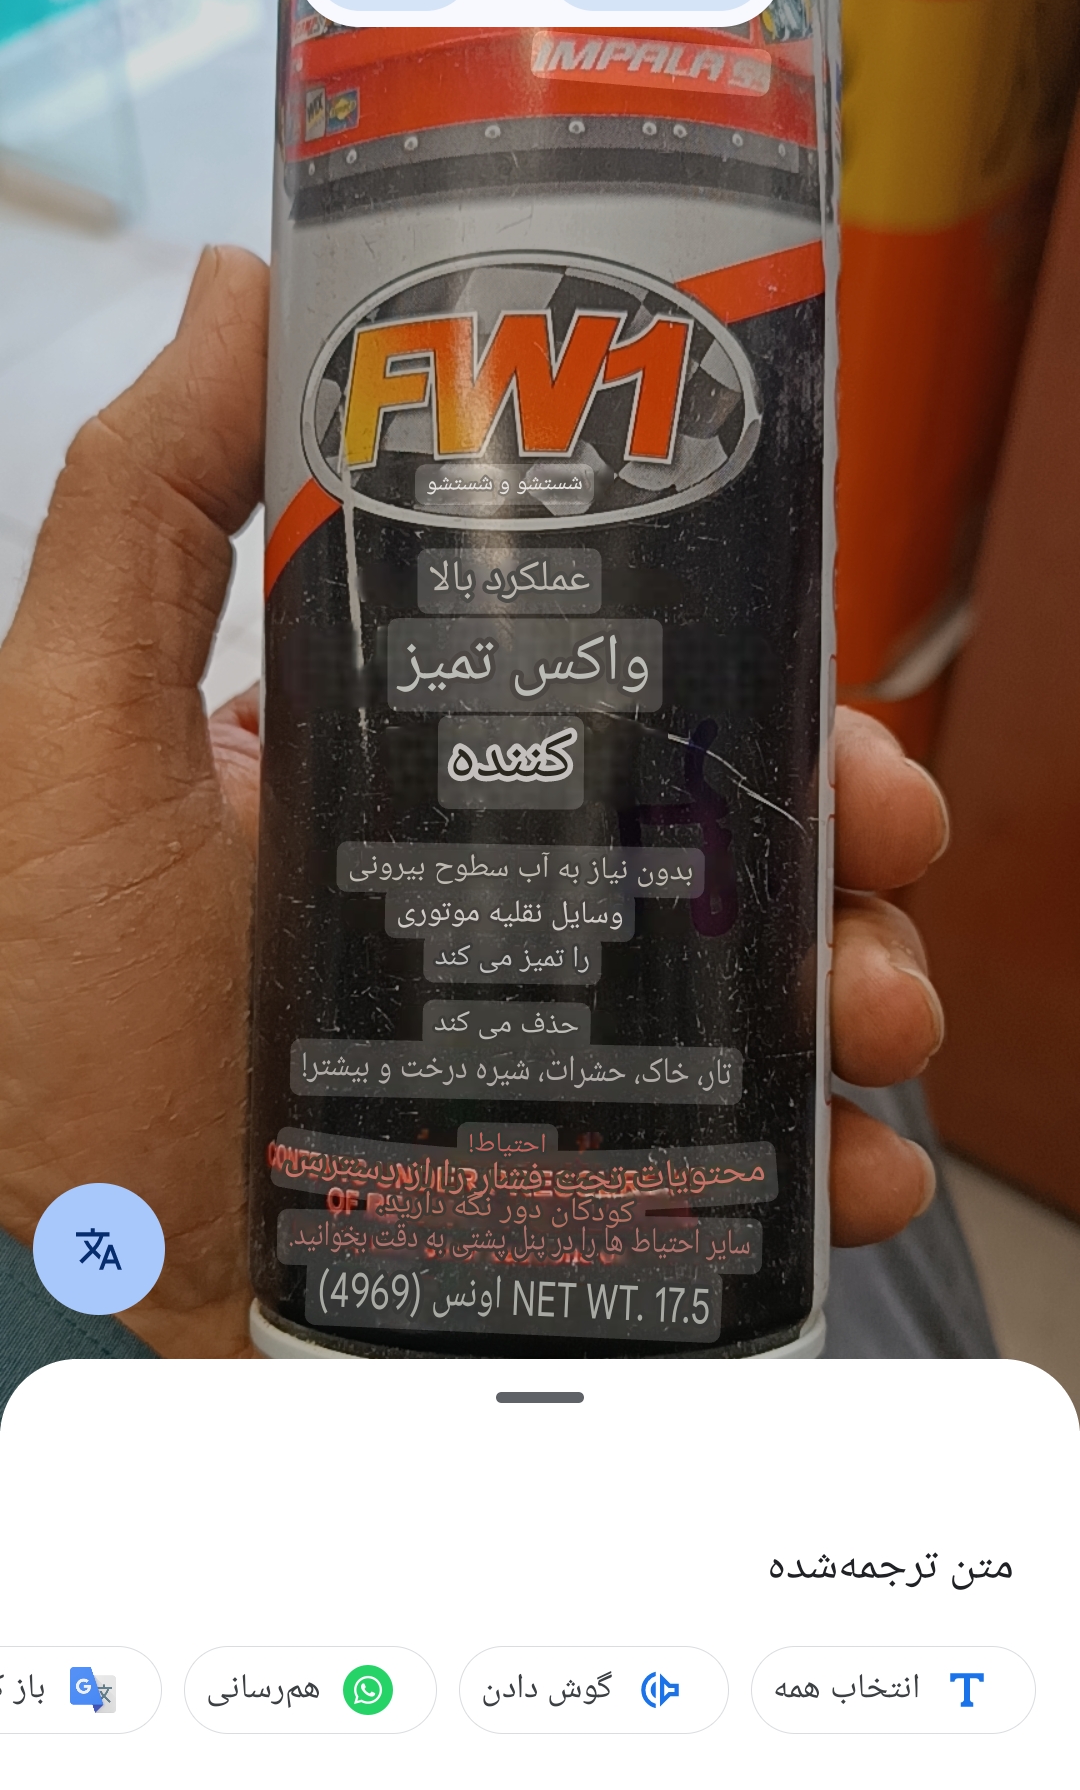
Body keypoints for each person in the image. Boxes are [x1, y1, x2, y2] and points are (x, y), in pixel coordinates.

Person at [0, 248, 950, 1364]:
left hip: (207, 1316)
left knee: (785, 949)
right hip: (294, 1289)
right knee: (844, 1074)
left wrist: (85, 1302)